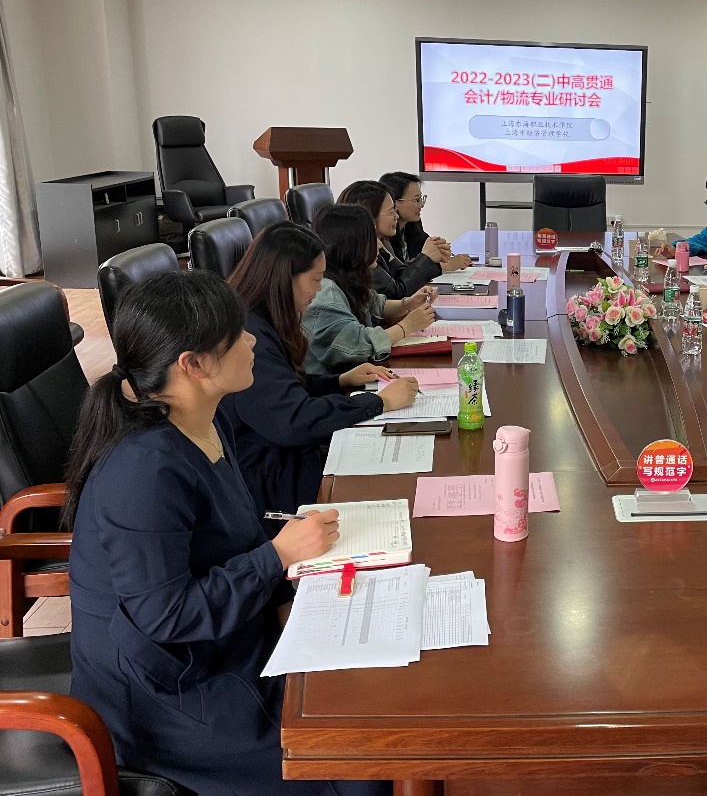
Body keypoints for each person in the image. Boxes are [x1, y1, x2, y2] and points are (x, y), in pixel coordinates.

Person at [63, 270, 387, 796]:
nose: (253, 341)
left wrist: (289, 573)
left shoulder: (203, 421)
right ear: (192, 365)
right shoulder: (144, 469)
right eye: (237, 335)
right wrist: (276, 558)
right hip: (171, 697)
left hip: (225, 643)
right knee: (356, 753)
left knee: (367, 685)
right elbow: (165, 616)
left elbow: (230, 536)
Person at [224, 221, 422, 514]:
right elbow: (294, 420)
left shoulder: (262, 315)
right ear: (284, 278)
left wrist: (340, 381)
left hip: (281, 454)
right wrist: (379, 402)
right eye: (316, 279)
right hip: (269, 476)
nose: (319, 289)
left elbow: (284, 390)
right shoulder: (250, 338)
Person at [303, 204, 437, 375]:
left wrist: (407, 304)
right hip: (333, 384)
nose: (380, 244)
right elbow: (357, 345)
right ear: (352, 245)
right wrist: (406, 326)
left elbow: (373, 303)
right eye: (372, 237)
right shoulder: (326, 295)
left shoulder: (346, 278)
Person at [338, 179, 459, 298]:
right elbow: (396, 292)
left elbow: (400, 272)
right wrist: (426, 258)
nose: (396, 216)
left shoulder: (383, 241)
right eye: (391, 212)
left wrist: (430, 257)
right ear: (370, 216)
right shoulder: (360, 253)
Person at [380, 170, 471, 274]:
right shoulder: (382, 234)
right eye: (416, 200)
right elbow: (397, 272)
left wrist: (439, 250)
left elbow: (422, 256)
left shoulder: (412, 225)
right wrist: (443, 266)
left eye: (421, 199)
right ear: (394, 202)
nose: (421, 205)